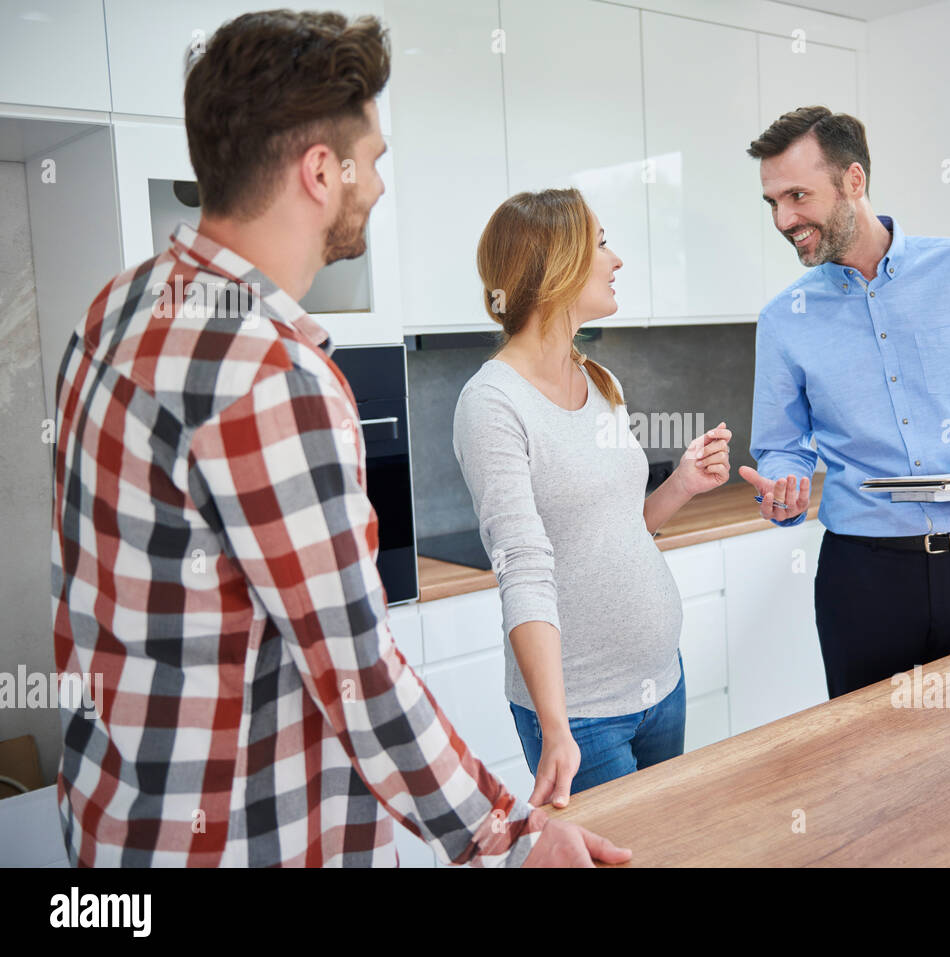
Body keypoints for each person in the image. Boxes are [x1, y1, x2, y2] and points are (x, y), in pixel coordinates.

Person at [49, 9, 625, 867]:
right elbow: (358, 671)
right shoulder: (272, 373)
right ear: (323, 170)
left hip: (115, 823)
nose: (381, 186)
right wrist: (512, 834)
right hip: (248, 840)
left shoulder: (116, 308)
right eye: (376, 160)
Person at [739, 106, 950, 698]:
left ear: (854, 181)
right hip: (864, 578)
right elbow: (781, 446)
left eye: (797, 195)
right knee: (870, 769)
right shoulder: (783, 319)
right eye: (772, 202)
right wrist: (782, 485)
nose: (784, 219)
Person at [454, 188, 732, 809]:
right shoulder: (492, 404)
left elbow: (619, 527)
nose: (617, 259)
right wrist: (555, 729)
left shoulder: (597, 379)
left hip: (663, 682)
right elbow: (522, 568)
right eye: (601, 242)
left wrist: (682, 484)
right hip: (582, 718)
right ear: (556, 264)